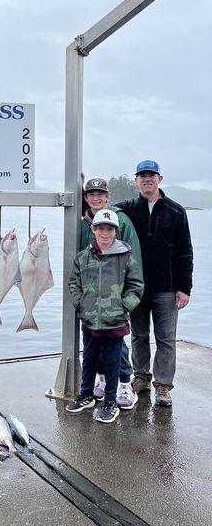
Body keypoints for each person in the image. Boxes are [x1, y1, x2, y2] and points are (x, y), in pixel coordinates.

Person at [115, 160, 193, 406]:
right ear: (136, 180)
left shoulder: (176, 211)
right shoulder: (126, 209)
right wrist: (87, 210)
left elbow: (185, 252)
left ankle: (163, 386)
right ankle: (141, 377)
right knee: (138, 335)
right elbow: (102, 212)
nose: (146, 179)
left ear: (160, 178)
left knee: (166, 339)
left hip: (168, 288)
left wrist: (185, 287)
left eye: (151, 175)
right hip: (137, 287)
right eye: (142, 175)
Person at [66, 209, 144, 423]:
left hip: (115, 321)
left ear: (116, 231)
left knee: (112, 363)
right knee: (89, 359)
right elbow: (73, 283)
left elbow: (136, 285)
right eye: (101, 228)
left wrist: (124, 306)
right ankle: (86, 395)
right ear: (93, 229)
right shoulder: (83, 257)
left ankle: (110, 402)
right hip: (90, 319)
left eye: (109, 229)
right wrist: (80, 304)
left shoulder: (125, 256)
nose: (105, 233)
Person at [81, 177, 143, 410]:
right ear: (86, 198)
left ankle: (126, 384)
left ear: (108, 197)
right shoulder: (85, 222)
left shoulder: (121, 220)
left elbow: (133, 260)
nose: (96, 198)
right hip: (92, 300)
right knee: (95, 343)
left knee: (118, 345)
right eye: (91, 194)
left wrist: (127, 301)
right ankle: (104, 379)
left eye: (100, 194)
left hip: (115, 298)